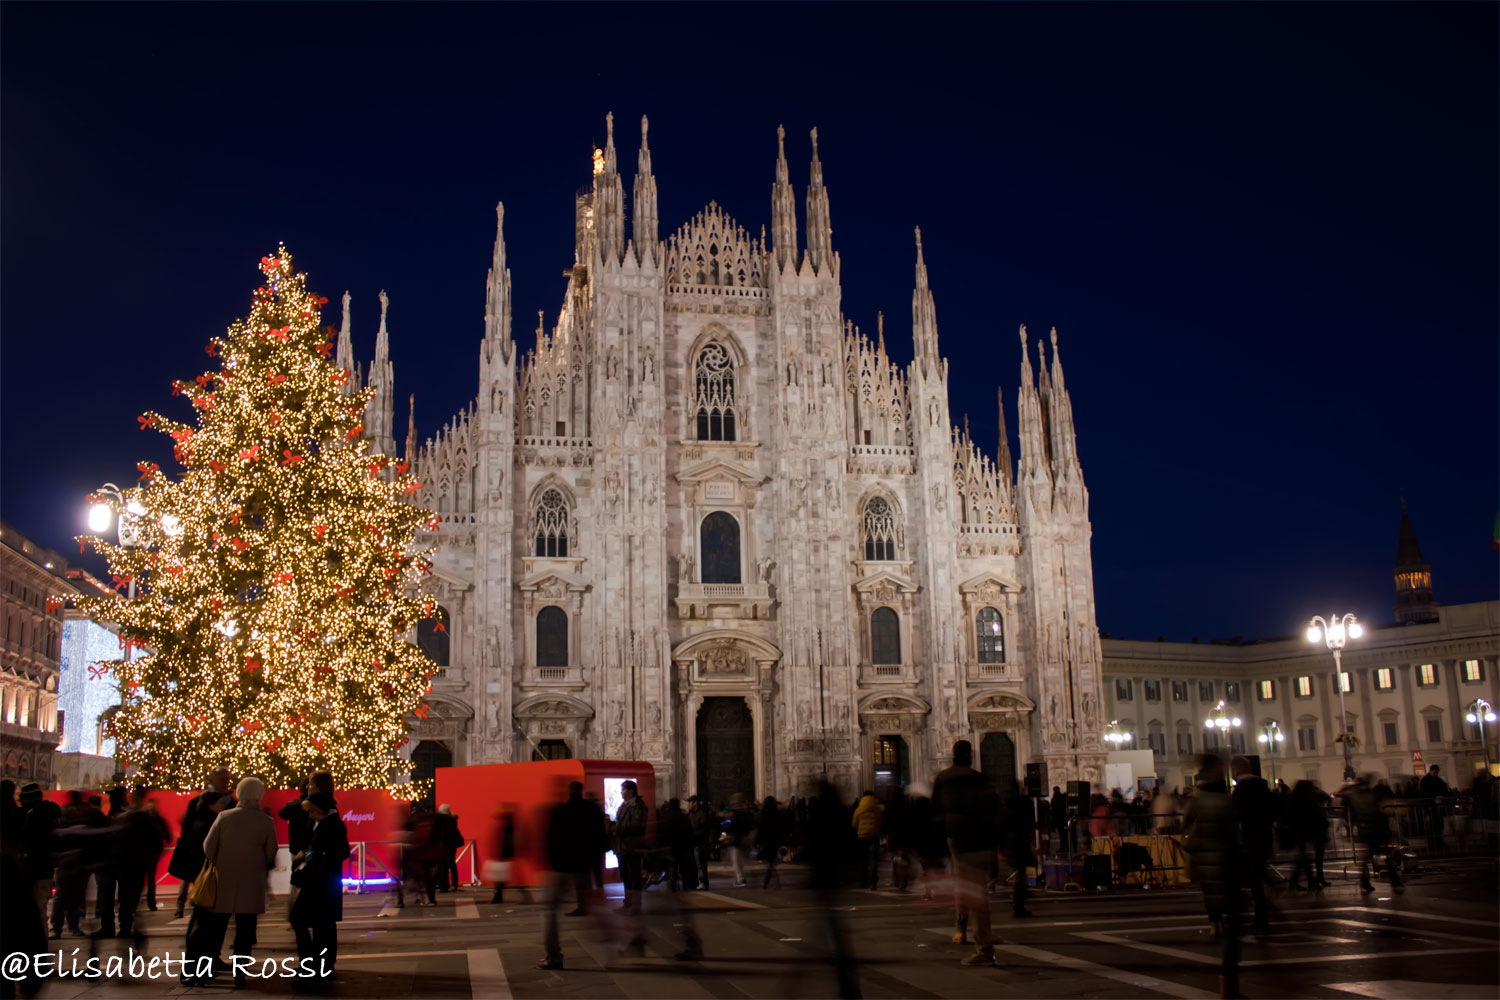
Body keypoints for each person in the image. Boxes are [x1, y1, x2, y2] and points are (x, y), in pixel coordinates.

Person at [188, 777, 277, 988]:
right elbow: (271, 852)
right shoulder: (266, 821)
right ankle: (240, 974)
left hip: (223, 880)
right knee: (245, 931)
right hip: (251, 882)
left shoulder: (224, 817)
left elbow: (208, 848)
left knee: (216, 928)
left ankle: (205, 970)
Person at [932, 739, 1002, 966]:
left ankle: (981, 946)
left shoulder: (944, 779)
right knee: (975, 891)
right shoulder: (980, 778)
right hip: (983, 842)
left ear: (953, 755)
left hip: (960, 842)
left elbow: (935, 811)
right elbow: (996, 809)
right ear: (970, 755)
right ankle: (975, 933)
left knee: (970, 891)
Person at [1184, 754, 1242, 999]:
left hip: (1204, 863)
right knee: (1236, 924)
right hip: (1226, 865)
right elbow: (1235, 835)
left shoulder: (1196, 799)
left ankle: (1213, 923)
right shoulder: (1225, 800)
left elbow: (1185, 825)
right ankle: (1229, 983)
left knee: (1214, 899)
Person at [538, 781, 608, 968]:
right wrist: (596, 867)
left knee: (550, 911)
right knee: (593, 910)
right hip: (583, 867)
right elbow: (600, 837)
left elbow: (550, 839)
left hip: (561, 868)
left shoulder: (559, 811)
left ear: (569, 792)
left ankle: (553, 956)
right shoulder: (591, 810)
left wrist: (550, 864)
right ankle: (613, 947)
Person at [289, 791, 351, 987]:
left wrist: (313, 858)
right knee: (318, 926)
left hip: (320, 882)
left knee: (303, 920)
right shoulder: (325, 823)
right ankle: (315, 965)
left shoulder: (332, 825)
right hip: (320, 882)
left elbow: (340, 852)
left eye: (313, 812)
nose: (310, 815)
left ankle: (312, 965)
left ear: (321, 811)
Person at [1229, 757, 1273, 931]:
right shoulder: (1263, 787)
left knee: (1252, 881)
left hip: (1248, 838)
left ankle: (1260, 917)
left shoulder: (1241, 791)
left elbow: (1236, 815)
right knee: (1256, 877)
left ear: (1237, 771)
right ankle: (1262, 913)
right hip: (1264, 837)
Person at [1345, 775, 1401, 893]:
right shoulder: (1371, 795)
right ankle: (1394, 880)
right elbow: (1379, 811)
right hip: (1375, 827)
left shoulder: (1353, 797)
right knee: (1384, 854)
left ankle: (1365, 881)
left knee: (1367, 856)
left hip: (1364, 828)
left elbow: (1351, 811)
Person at [19, 782, 59, 929]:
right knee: (40, 909)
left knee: (35, 910)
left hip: (33, 868)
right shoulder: (52, 816)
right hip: (46, 869)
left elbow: (28, 842)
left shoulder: (32, 817)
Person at [1287, 780, 1329, 890]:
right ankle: (1312, 880)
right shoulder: (1307, 800)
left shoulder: (1295, 800)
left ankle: (1307, 881)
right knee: (1306, 858)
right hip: (1309, 831)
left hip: (1303, 831)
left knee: (1303, 858)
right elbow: (1314, 815)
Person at [614, 780, 648, 913]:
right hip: (622, 847)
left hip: (632, 847)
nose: (621, 792)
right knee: (625, 876)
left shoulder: (638, 807)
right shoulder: (624, 805)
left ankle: (636, 905)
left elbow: (637, 825)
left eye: (623, 790)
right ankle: (627, 903)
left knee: (634, 876)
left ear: (631, 791)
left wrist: (617, 829)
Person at [851, 790, 884, 890]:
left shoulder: (858, 810)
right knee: (873, 860)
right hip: (874, 836)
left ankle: (863, 881)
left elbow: (854, 824)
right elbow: (881, 822)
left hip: (862, 837)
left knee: (863, 860)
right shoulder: (877, 809)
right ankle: (873, 882)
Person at [488, 807, 517, 904]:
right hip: (505, 856)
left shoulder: (507, 829)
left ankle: (497, 896)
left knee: (500, 878)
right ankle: (498, 896)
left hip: (503, 856)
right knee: (501, 878)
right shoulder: (510, 827)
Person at [725, 793, 753, 887]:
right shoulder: (746, 814)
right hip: (743, 839)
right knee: (741, 861)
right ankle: (742, 878)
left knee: (736, 861)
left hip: (737, 840)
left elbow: (730, 826)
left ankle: (741, 879)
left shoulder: (734, 816)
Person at [757, 796, 785, 889]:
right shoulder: (777, 814)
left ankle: (769, 881)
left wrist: (756, 842)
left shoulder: (763, 814)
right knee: (771, 861)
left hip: (766, 841)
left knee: (770, 862)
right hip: (775, 841)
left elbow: (759, 829)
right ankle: (769, 881)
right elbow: (782, 827)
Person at [1419, 765, 1450, 849]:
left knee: (1439, 824)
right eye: (1435, 772)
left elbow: (1444, 789)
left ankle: (1438, 840)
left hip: (1437, 805)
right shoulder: (1425, 780)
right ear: (1431, 771)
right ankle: (1433, 842)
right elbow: (1424, 793)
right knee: (1432, 824)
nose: (1436, 774)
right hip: (1430, 805)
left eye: (1437, 772)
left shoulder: (1438, 780)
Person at [436, 804, 464, 891]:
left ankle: (444, 885)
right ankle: (453, 884)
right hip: (451, 846)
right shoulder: (453, 822)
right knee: (451, 864)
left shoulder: (440, 822)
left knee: (442, 865)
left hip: (444, 846)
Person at [687, 795, 712, 889]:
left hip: (699, 843)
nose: (688, 805)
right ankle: (696, 882)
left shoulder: (702, 814)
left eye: (690, 802)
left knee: (700, 865)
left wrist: (693, 836)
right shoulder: (690, 814)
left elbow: (704, 829)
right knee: (694, 865)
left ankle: (703, 883)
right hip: (692, 843)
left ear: (695, 803)